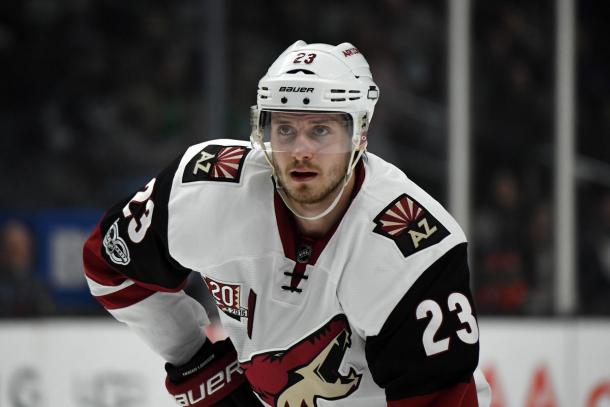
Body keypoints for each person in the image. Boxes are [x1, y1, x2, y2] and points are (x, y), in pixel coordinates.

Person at [83, 40, 491, 407]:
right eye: (285, 129)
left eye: (320, 130)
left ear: (360, 132)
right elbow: (109, 264)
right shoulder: (205, 188)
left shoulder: (412, 250)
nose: (300, 151)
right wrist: (197, 361)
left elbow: (440, 397)